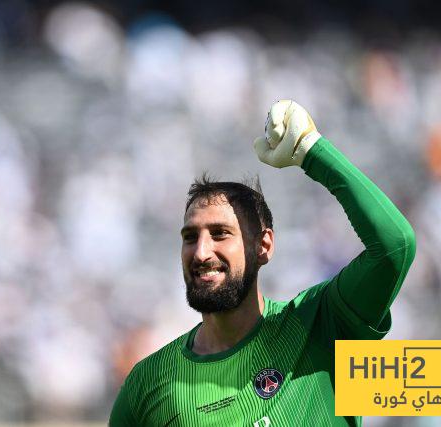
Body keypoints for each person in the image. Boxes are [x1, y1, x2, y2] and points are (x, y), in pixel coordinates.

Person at [109, 100, 416, 426]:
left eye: (220, 234)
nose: (201, 252)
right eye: (190, 237)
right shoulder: (147, 383)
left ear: (264, 246)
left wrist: (311, 151)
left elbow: (395, 246)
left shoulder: (319, 325)